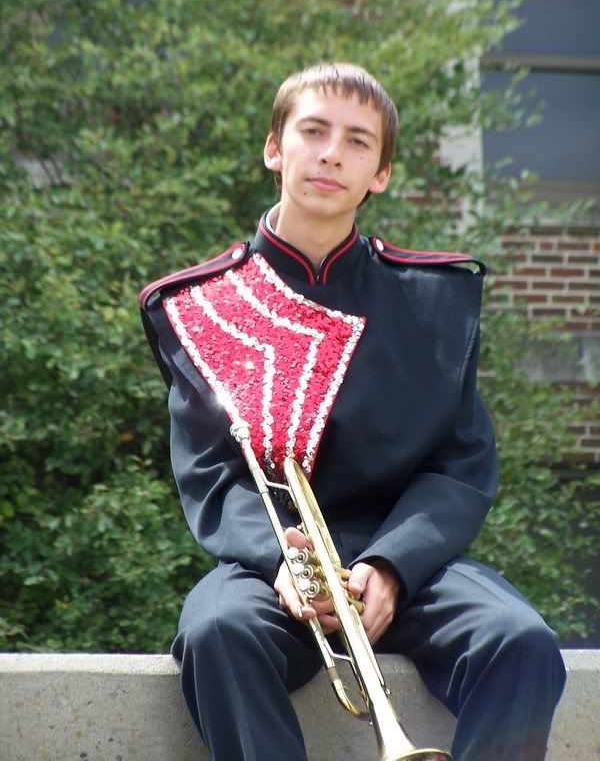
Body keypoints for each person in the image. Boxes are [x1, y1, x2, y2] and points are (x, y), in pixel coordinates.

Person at [138, 63, 566, 761]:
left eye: (358, 141)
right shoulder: (200, 305)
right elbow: (211, 474)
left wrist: (393, 565)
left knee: (521, 641)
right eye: (313, 131)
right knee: (216, 631)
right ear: (275, 149)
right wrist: (281, 560)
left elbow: (460, 462)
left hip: (410, 559)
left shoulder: (432, 299)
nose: (332, 153)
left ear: (381, 174)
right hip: (273, 565)